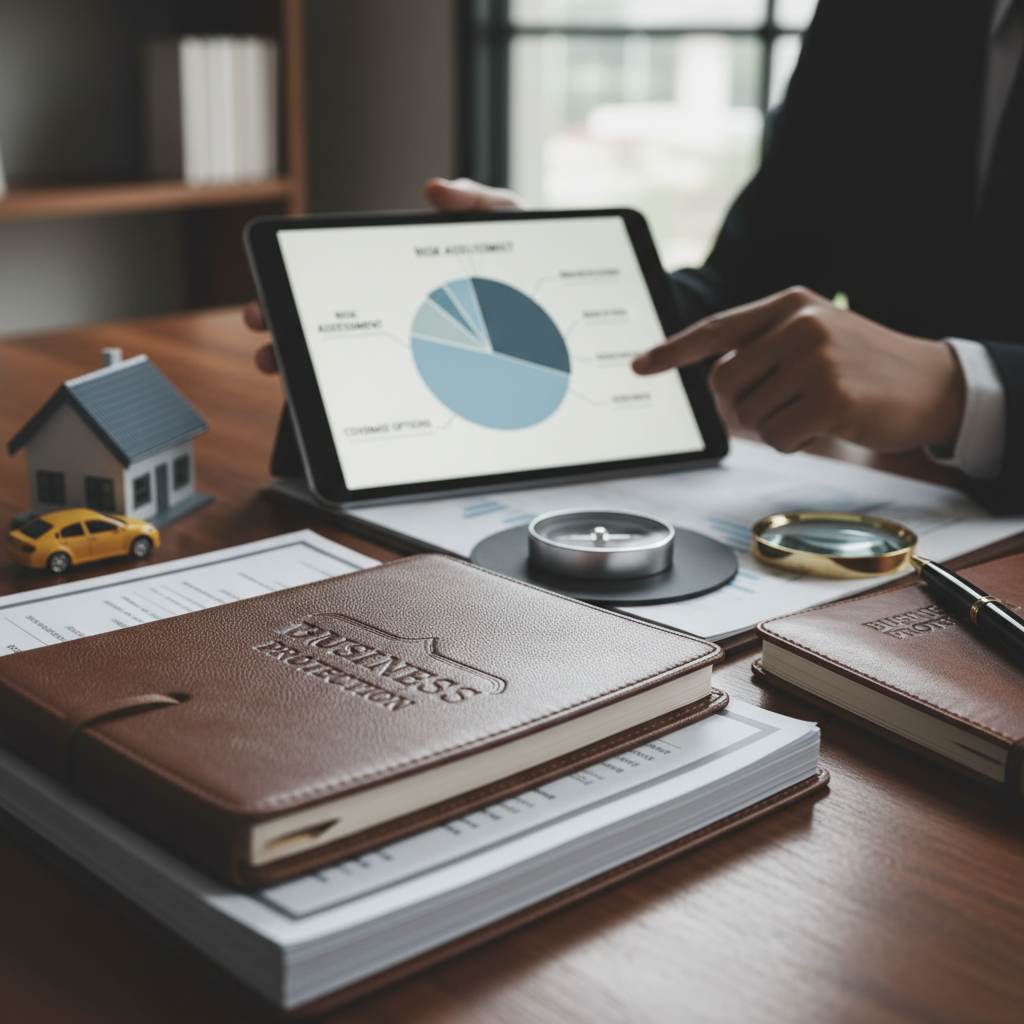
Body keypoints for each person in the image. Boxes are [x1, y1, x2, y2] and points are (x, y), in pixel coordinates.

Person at [248, 0, 1022, 509]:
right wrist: (554, 282)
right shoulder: (880, 13)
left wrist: (967, 390)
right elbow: (749, 283)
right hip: (897, 526)